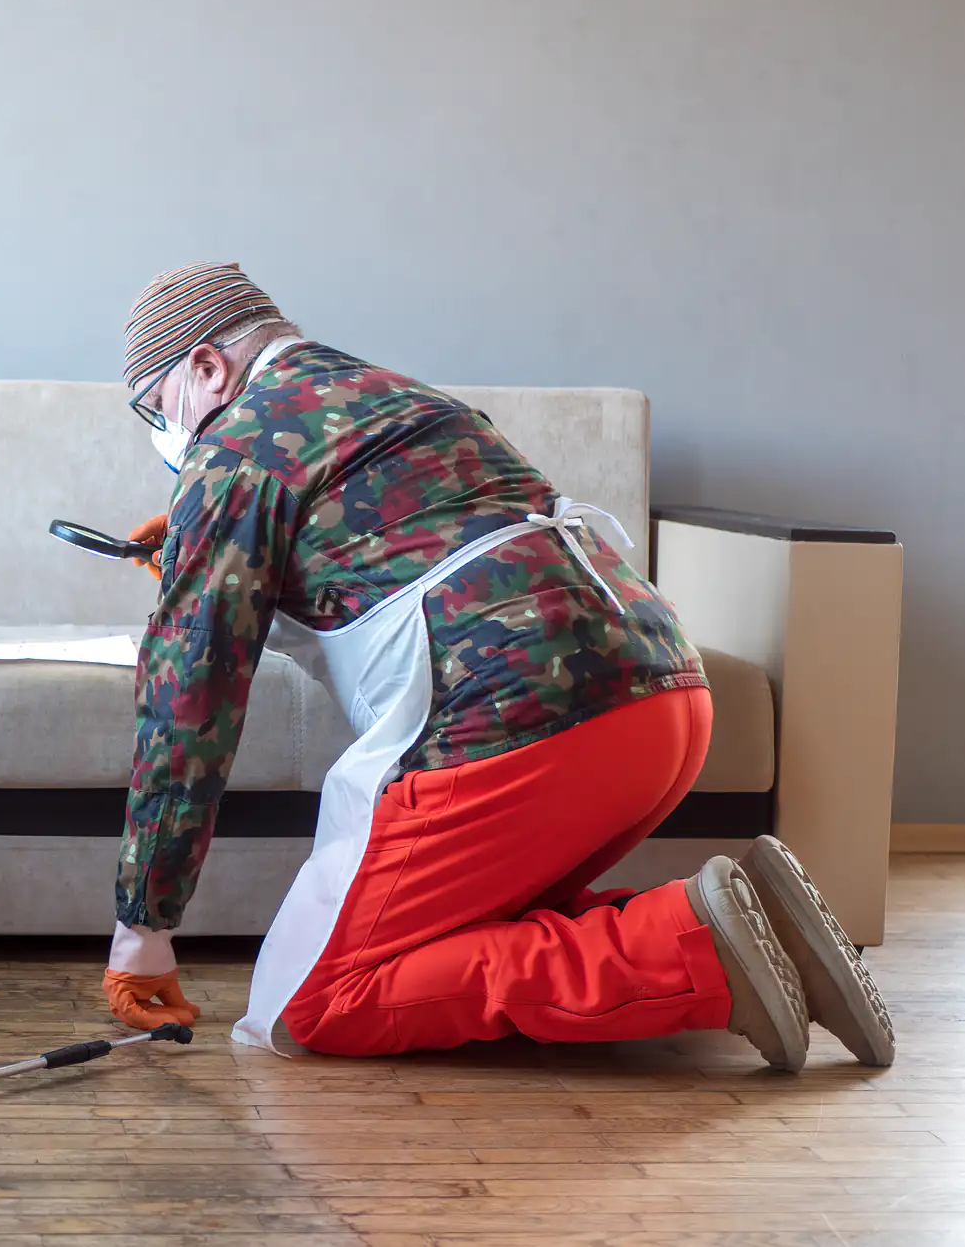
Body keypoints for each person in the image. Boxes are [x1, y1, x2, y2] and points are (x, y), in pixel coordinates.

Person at [102, 260, 893, 1071]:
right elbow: (405, 539)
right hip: (662, 699)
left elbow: (187, 701)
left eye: (158, 408)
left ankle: (692, 950)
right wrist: (215, 536)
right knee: (457, 928)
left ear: (207, 366)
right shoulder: (406, 398)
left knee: (314, 1005)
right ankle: (764, 926)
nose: (168, 434)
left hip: (523, 726)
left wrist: (144, 927)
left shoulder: (234, 449)